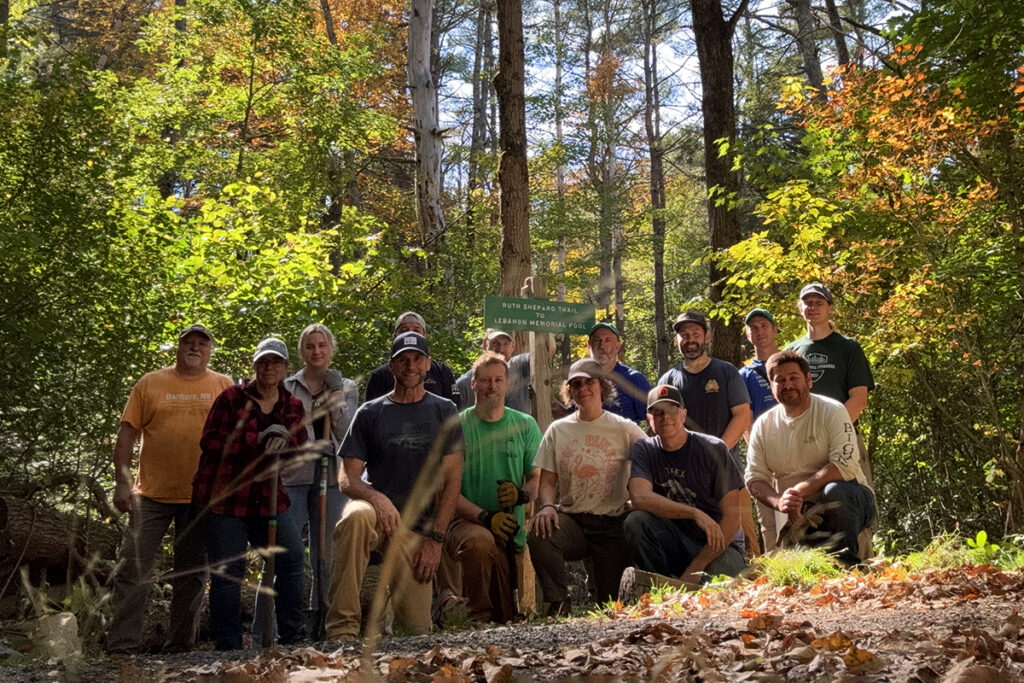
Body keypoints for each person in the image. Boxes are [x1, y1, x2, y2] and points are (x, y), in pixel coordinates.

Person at [325, 331, 464, 640]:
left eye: (417, 359)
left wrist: (436, 541)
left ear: (427, 365)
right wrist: (377, 498)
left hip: (417, 531)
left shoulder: (444, 411)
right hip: (379, 516)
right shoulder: (370, 412)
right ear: (391, 366)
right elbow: (346, 477)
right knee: (355, 515)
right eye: (403, 360)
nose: (410, 366)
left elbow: (453, 480)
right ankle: (342, 631)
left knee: (414, 632)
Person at [106, 324, 233, 654]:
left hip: (201, 496)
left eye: (201, 343)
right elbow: (127, 434)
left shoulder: (223, 385)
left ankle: (179, 647)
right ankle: (122, 646)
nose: (194, 348)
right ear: (177, 349)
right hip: (149, 494)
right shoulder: (150, 383)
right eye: (188, 343)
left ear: (210, 350)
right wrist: (122, 482)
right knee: (132, 567)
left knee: (191, 574)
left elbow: (238, 440)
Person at [191, 337, 308, 650]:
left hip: (268, 498)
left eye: (276, 363)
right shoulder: (231, 398)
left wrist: (286, 445)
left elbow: (299, 447)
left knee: (292, 557)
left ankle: (289, 638)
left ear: (286, 368)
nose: (269, 368)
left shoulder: (292, 406)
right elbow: (211, 441)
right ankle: (228, 645)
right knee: (229, 572)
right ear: (254, 365)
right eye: (263, 362)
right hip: (226, 499)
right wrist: (257, 441)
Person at [254, 324, 359, 637]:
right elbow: (279, 435)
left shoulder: (346, 386)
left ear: (331, 349)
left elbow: (346, 432)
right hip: (292, 478)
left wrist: (336, 392)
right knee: (282, 553)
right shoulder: (286, 387)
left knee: (326, 555)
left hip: (331, 478)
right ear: (302, 352)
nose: (316, 352)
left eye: (322, 346)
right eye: (310, 346)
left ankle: (326, 627)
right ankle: (263, 632)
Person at [528, 359, 646, 615]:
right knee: (541, 532)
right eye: (576, 384)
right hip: (574, 521)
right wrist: (547, 506)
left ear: (602, 386)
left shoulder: (624, 428)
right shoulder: (558, 430)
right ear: (569, 391)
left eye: (589, 382)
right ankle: (559, 602)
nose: (583, 388)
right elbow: (547, 481)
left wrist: (639, 494)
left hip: (612, 522)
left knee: (610, 606)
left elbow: (651, 458)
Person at [745, 350, 876, 566]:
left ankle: (846, 567)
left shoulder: (832, 411)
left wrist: (798, 491)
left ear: (809, 380)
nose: (788, 385)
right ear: (772, 387)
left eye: (794, 378)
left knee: (834, 492)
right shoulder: (763, 425)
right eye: (780, 380)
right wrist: (780, 502)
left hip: (850, 499)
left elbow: (845, 466)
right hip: (798, 515)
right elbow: (754, 478)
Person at [439, 351, 541, 623]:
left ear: (507, 384)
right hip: (462, 523)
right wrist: (485, 517)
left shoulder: (525, 425)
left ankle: (448, 609)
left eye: (498, 380)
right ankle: (477, 620)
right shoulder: (456, 426)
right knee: (480, 541)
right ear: (473, 384)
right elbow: (448, 489)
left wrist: (522, 495)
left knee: (506, 613)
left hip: (509, 531)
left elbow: (536, 478)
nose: (491, 387)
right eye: (485, 380)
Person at [621, 385, 746, 594]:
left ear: (683, 414)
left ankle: (689, 585)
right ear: (649, 419)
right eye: (657, 412)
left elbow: (733, 519)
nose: (665, 417)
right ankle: (659, 589)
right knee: (636, 521)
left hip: (718, 544)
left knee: (719, 592)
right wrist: (694, 513)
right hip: (675, 541)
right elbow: (640, 496)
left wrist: (695, 568)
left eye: (671, 410)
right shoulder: (645, 449)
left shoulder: (713, 449)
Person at [657, 310, 759, 556]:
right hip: (683, 476)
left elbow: (743, 415)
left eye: (695, 333)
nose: (689, 339)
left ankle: (757, 582)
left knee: (745, 536)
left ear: (707, 337)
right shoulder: (669, 379)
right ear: (677, 341)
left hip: (727, 471)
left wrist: (715, 452)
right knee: (694, 536)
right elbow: (658, 422)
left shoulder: (725, 372)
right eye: (684, 334)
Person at [786, 284, 874, 424]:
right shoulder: (790, 351)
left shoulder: (849, 347)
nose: (813, 307)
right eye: (808, 303)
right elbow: (787, 398)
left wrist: (832, 430)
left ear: (830, 308)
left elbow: (859, 400)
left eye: (819, 303)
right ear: (800, 309)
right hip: (801, 434)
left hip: (841, 434)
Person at [364, 312, 461, 407]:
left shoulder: (441, 372)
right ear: (395, 337)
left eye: (416, 330)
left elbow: (455, 412)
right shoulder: (380, 375)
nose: (410, 333)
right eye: (403, 330)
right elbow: (371, 415)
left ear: (424, 336)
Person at [587, 322, 651, 422]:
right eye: (597, 340)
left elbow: (654, 421)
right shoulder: (581, 380)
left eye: (607, 340)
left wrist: (644, 438)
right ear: (589, 346)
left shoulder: (634, 379)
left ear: (617, 347)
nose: (602, 346)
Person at [456, 329, 531, 414]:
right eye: (495, 342)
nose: (500, 349)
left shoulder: (521, 367)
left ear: (513, 346)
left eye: (506, 343)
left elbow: (545, 350)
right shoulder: (464, 385)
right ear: (485, 344)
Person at [739, 308, 780, 422]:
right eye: (754, 328)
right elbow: (744, 419)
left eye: (764, 325)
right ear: (748, 335)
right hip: (763, 438)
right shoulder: (743, 376)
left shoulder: (792, 364)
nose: (760, 331)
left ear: (775, 330)